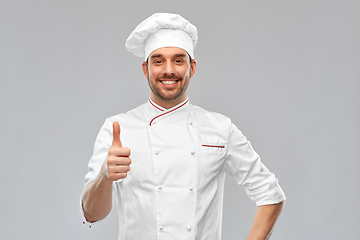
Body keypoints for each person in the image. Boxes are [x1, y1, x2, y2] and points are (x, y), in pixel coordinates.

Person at [81, 13, 286, 240]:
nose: (169, 70)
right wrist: (105, 176)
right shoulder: (117, 127)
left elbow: (271, 194)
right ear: (145, 69)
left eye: (179, 60)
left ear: (192, 67)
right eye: (158, 61)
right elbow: (91, 214)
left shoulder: (220, 128)